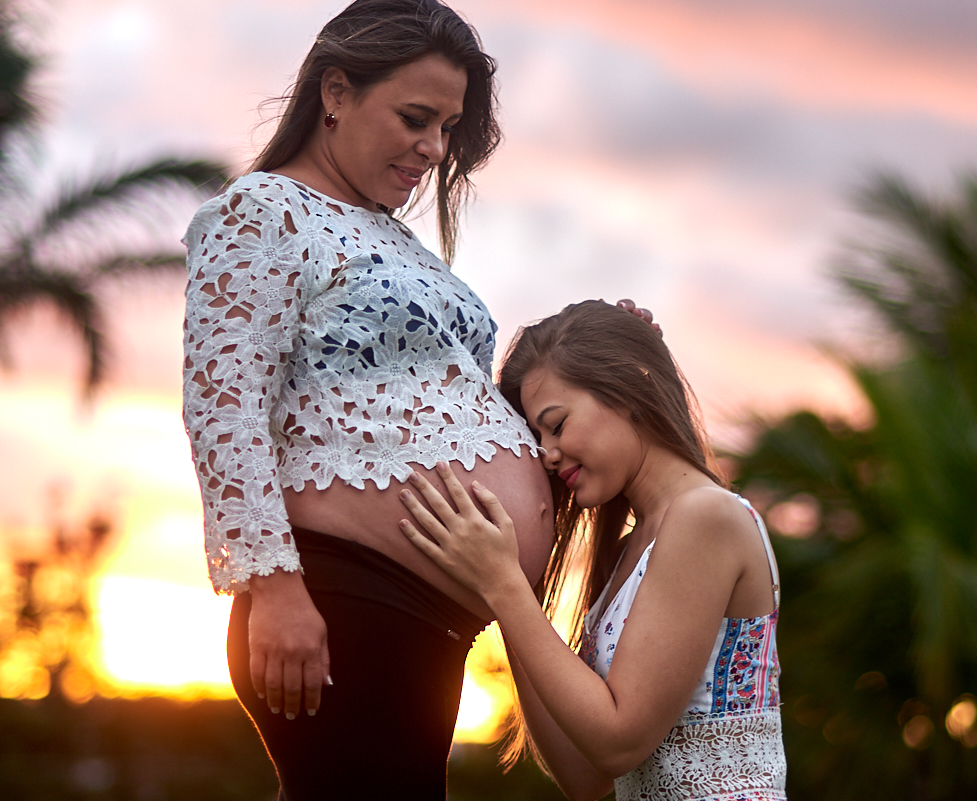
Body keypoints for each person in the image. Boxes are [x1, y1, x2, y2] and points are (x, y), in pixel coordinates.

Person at [182, 2, 653, 797]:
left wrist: (599, 357)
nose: (434, 149)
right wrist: (275, 587)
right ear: (336, 91)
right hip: (338, 596)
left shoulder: (398, 243)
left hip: (428, 621)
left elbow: (445, 406)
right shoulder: (261, 212)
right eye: (415, 118)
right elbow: (222, 403)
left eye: (447, 127)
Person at [399, 300, 788, 801]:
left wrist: (504, 585)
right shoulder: (633, 551)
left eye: (556, 425)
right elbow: (587, 778)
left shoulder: (704, 517)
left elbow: (618, 743)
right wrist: (506, 588)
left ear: (627, 391)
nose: (547, 452)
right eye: (538, 436)